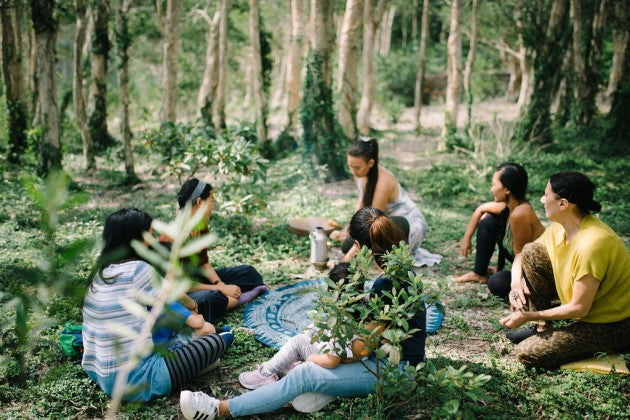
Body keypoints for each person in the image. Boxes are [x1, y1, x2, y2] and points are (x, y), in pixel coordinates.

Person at [179, 207, 427, 419]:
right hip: (379, 357)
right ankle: (317, 388)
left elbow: (360, 349)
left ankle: (219, 409)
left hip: (397, 371)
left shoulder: (387, 284)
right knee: (307, 343)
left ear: (360, 246)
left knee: (304, 373)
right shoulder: (399, 271)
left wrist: (327, 355)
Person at [82, 208, 231, 402]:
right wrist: (194, 309)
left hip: (98, 372)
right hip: (136, 381)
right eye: (149, 233)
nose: (153, 239)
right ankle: (208, 355)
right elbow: (180, 302)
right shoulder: (138, 270)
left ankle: (197, 357)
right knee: (214, 337)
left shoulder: (100, 273)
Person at [500, 172, 630, 368]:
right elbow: (521, 255)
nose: (542, 200)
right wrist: (515, 283)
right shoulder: (559, 228)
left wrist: (529, 315)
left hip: (615, 322)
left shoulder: (592, 244)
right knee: (531, 251)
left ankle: (615, 346)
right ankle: (542, 329)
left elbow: (579, 308)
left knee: (526, 353)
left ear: (563, 204)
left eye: (546, 195)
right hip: (586, 308)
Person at [159, 178, 267, 323]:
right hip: (179, 292)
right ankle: (231, 299)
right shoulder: (173, 237)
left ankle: (229, 299)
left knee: (248, 273)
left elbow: (203, 263)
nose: (213, 205)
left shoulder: (201, 226)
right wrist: (220, 290)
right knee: (211, 298)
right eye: (212, 201)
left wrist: (219, 284)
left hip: (197, 280)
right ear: (199, 202)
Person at [237, 263, 358, 390]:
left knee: (298, 342)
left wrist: (311, 358)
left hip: (332, 362)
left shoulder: (341, 322)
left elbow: (332, 361)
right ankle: (289, 366)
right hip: (344, 355)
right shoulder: (362, 309)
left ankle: (265, 373)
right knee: (309, 332)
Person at [330, 137, 441, 267]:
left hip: (408, 223)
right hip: (381, 221)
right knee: (346, 245)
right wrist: (349, 229)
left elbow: (371, 223)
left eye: (357, 167)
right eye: (350, 166)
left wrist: (346, 260)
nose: (353, 171)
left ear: (370, 163)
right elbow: (361, 202)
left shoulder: (383, 182)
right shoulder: (360, 173)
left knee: (358, 246)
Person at [455, 163, 544, 299]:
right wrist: (466, 239)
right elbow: (480, 209)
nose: (492, 189)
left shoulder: (520, 213)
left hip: (537, 273)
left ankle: (527, 292)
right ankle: (479, 273)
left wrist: (516, 286)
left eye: (494, 184)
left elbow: (521, 256)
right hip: (522, 263)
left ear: (507, 189)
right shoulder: (509, 206)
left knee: (496, 282)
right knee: (488, 219)